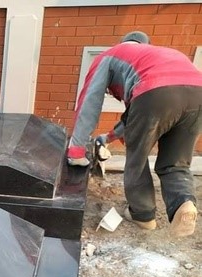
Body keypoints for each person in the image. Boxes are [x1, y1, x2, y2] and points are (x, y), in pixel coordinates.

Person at [66, 31, 202, 237]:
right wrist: (108, 138)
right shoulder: (159, 56)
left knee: (137, 158)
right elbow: (132, 117)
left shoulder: (110, 55)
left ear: (122, 42)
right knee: (175, 163)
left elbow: (90, 101)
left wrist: (76, 149)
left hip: (155, 93)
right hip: (197, 94)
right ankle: (184, 202)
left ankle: (143, 215)